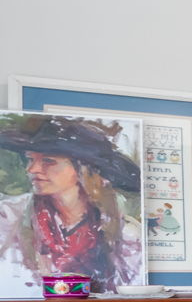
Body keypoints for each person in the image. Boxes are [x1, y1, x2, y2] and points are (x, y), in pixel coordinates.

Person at [0, 116, 144, 291]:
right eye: (31, 159)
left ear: (84, 170)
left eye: (48, 161)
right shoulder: (8, 218)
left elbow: (130, 288)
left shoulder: (125, 233)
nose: (31, 169)